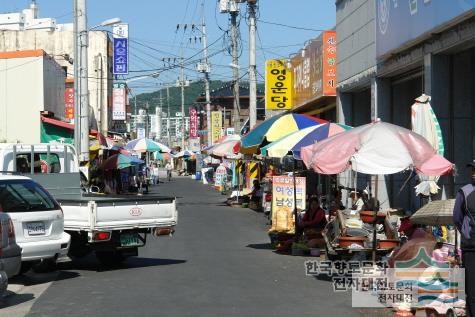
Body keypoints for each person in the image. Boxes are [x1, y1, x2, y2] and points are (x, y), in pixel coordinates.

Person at [453, 159, 475, 317]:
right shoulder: (464, 191)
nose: (473, 172)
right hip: (471, 248)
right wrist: (467, 233)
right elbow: (457, 218)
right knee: (472, 290)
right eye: (472, 169)